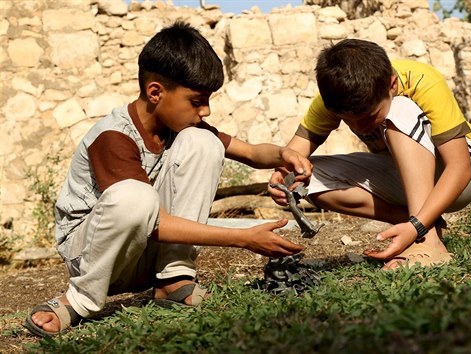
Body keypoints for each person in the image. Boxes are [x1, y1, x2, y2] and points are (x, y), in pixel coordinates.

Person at [24, 21, 311, 337]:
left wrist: (285, 154)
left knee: (204, 142)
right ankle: (78, 301)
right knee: (136, 196)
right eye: (197, 100)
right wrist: (243, 238)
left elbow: (254, 153)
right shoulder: (114, 136)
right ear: (156, 92)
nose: (206, 111)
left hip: (141, 251)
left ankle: (173, 280)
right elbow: (154, 221)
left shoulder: (179, 127)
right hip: (93, 256)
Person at [269, 39, 471, 271]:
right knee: (302, 177)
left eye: (370, 116)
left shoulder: (422, 80)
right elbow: (294, 154)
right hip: (406, 178)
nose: (361, 127)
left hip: (462, 173)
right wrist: (281, 176)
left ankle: (427, 242)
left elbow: (460, 167)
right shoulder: (333, 97)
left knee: (400, 108)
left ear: (392, 84)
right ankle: (421, 222)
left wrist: (417, 227)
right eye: (348, 120)